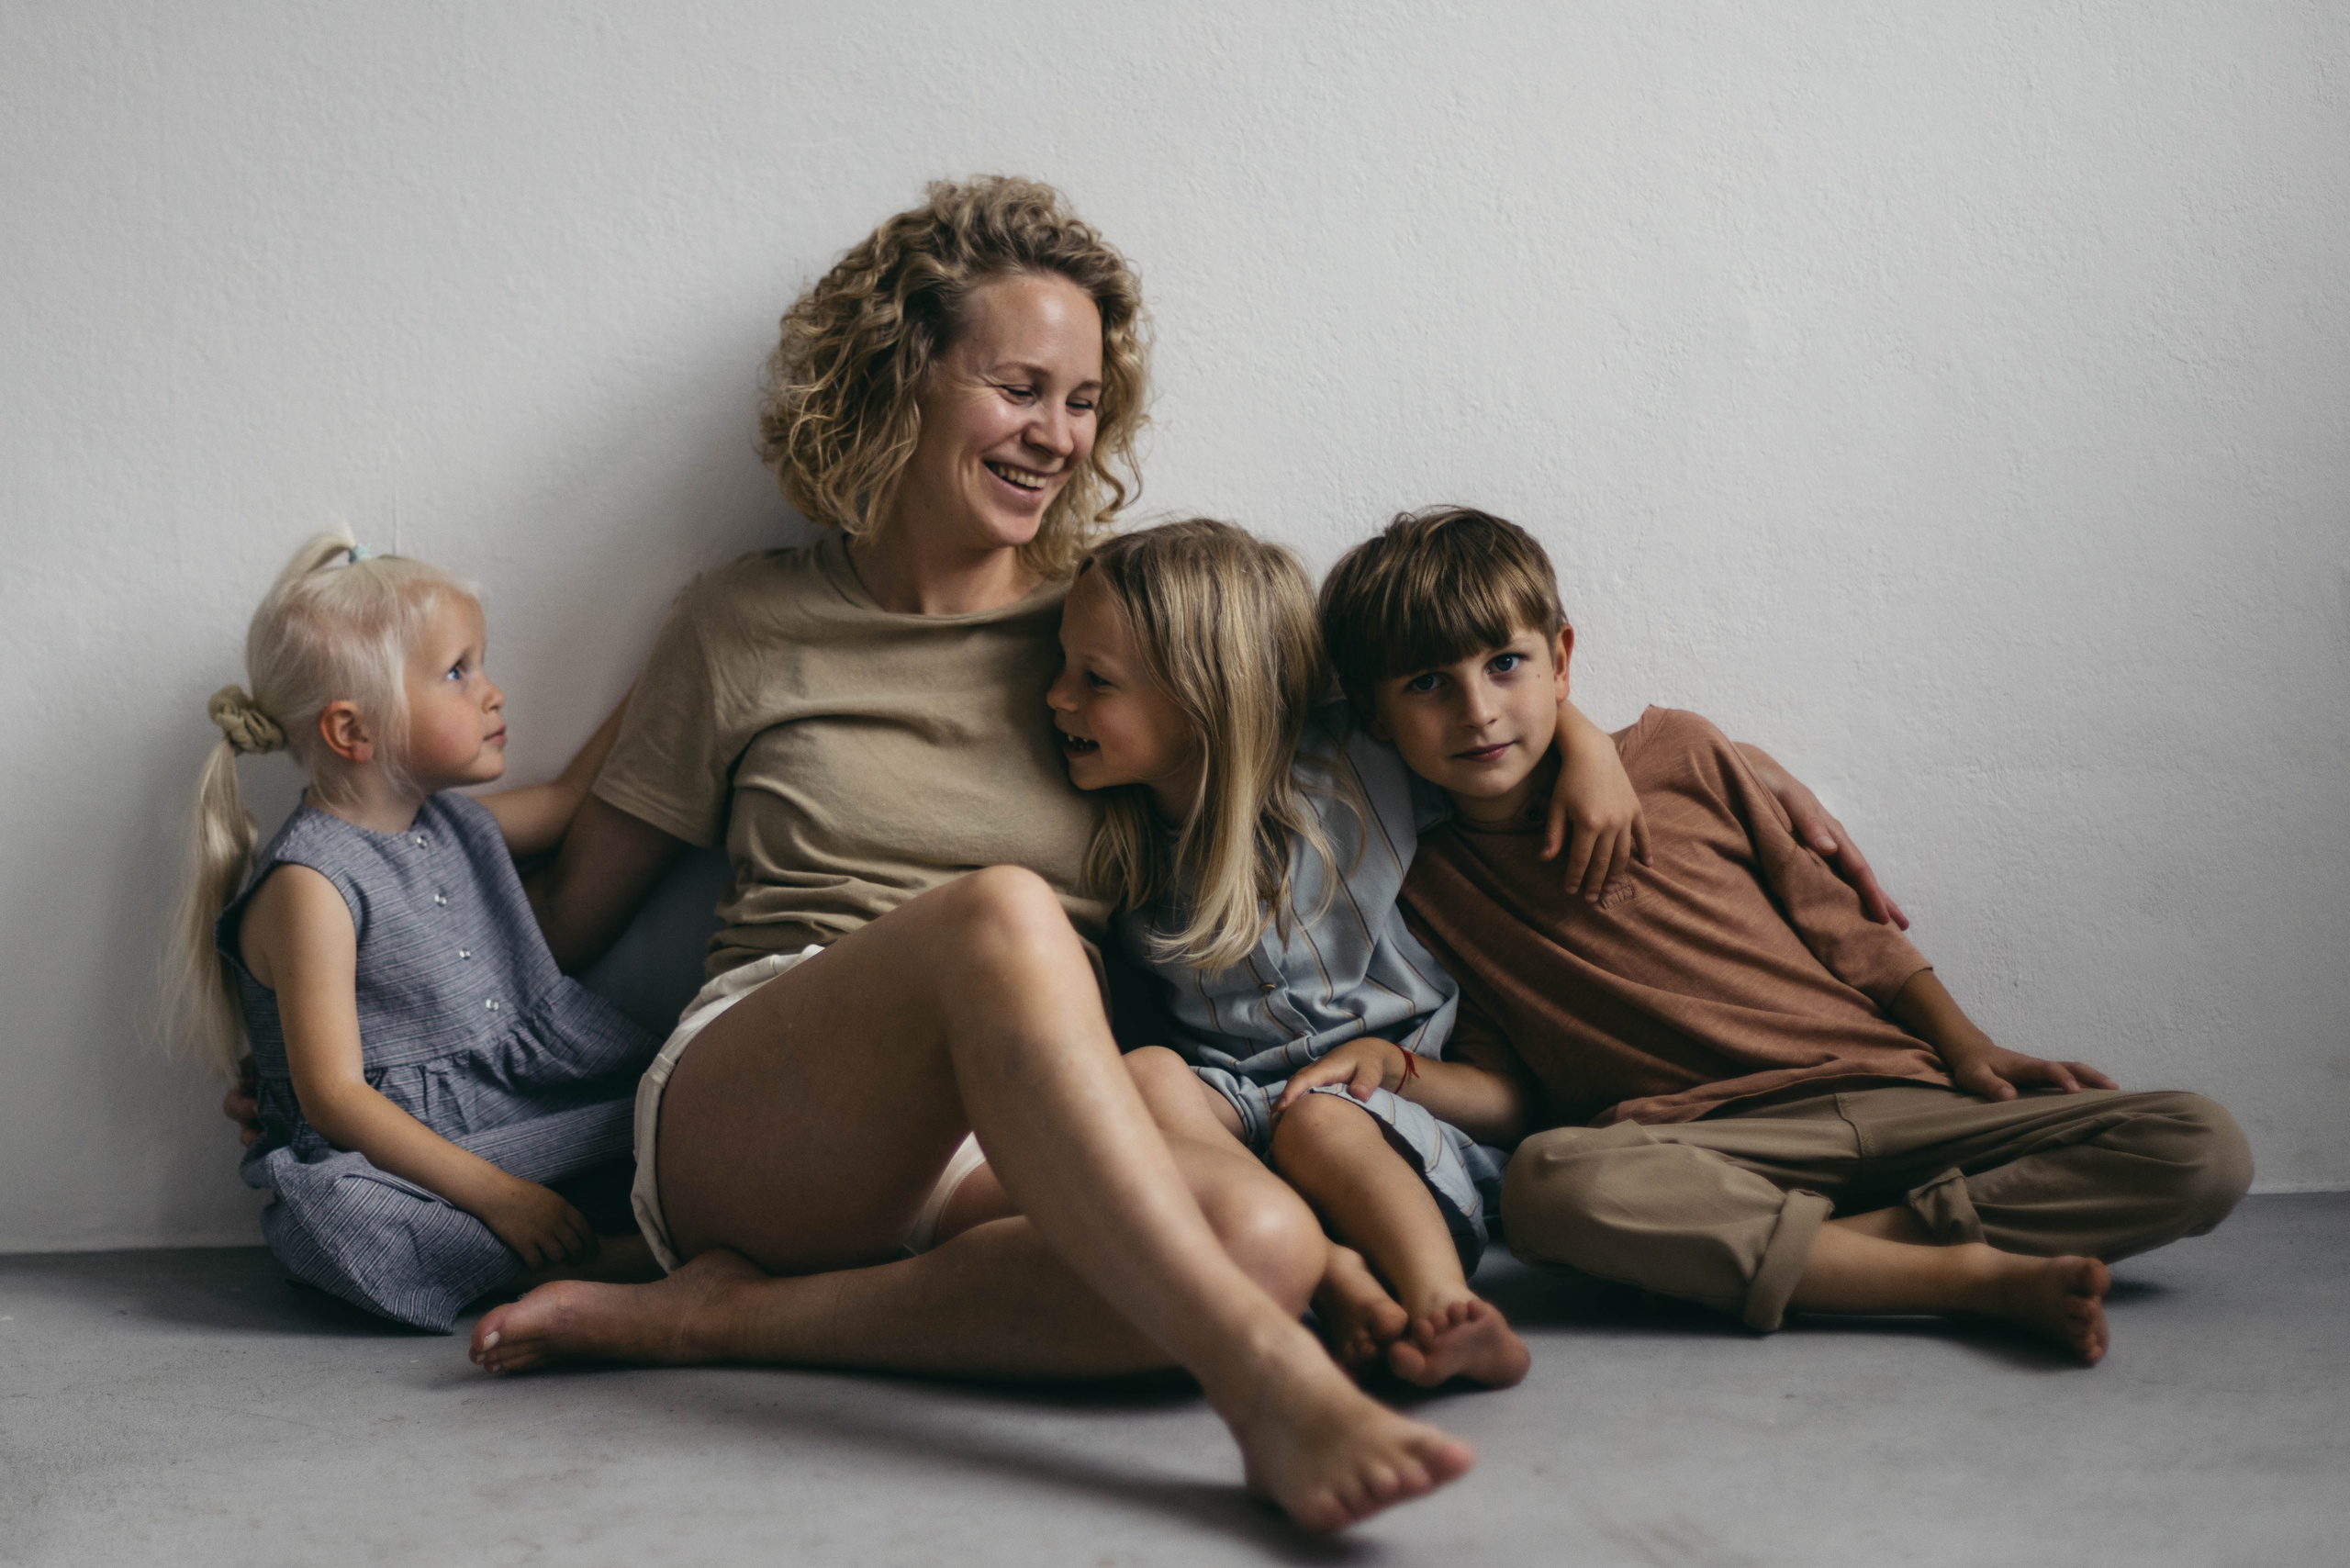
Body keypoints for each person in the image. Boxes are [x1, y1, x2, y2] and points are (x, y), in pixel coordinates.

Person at [1317, 506, 2255, 1363]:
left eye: (1505, 664)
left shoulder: (1681, 753)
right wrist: (1396, 1071)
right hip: (1704, 1147)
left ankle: (1829, 1258)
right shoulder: (1429, 889)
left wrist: (1968, 1048)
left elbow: (1847, 930)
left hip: (1898, 1097)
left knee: (2198, 1144)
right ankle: (1964, 1275)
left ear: (1561, 660)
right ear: (1375, 714)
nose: (1477, 710)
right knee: (1548, 1184)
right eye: (1429, 684)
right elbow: (1512, 1093)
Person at [1046, 519, 1553, 1388]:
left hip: (1404, 1101)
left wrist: (1594, 758)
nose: (1056, 698)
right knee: (1146, 1077)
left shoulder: (1354, 766)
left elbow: (1499, 740)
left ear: (1205, 697)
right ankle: (1332, 1273)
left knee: (1323, 1116)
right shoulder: (1124, 838)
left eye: (1094, 681)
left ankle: (1445, 1310)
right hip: (1246, 1112)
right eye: (1064, 669)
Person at [166, 532, 659, 1332]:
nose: (492, 694)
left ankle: (596, 1239)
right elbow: (334, 1098)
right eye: (458, 673)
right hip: (406, 1161)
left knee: (664, 1105)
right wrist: (504, 1198)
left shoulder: (455, 825)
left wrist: (676, 662)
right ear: (352, 733)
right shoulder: (312, 885)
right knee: (340, 1216)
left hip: (521, 1115)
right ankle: (602, 1259)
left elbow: (573, 799)